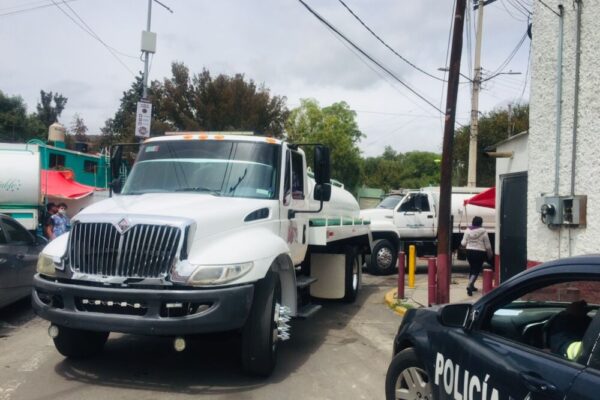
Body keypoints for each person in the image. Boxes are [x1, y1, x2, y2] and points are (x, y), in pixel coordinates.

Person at [461, 216, 493, 296]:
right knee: (476, 269)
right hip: (479, 252)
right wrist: (490, 254)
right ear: (481, 223)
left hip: (469, 252)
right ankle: (469, 284)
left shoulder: (467, 230)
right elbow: (488, 246)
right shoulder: (484, 232)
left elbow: (463, 243)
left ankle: (472, 286)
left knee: (472, 268)